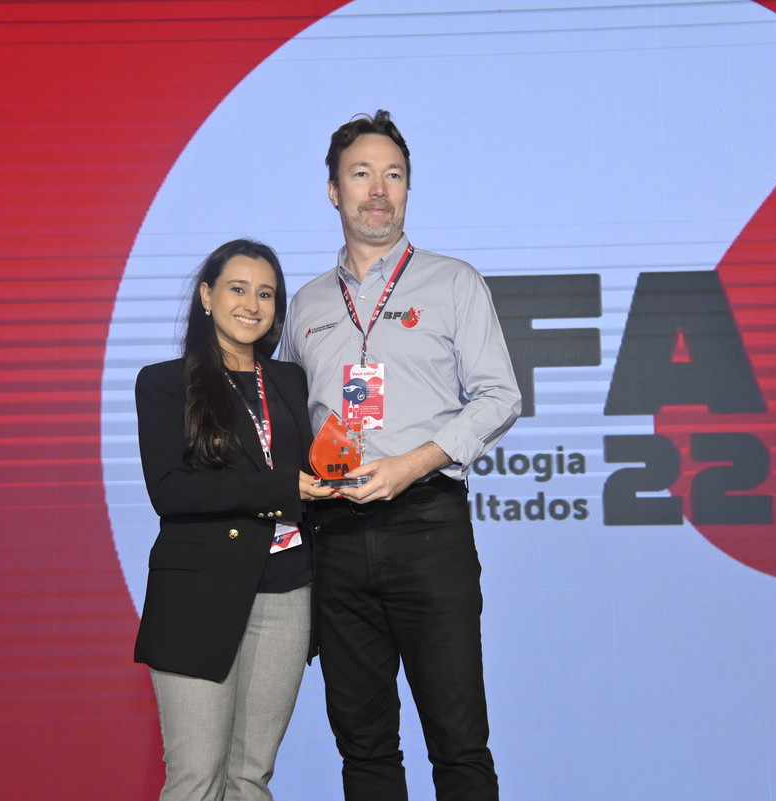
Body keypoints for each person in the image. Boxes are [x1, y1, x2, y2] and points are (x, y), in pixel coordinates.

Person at [281, 111, 521, 801]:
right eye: (361, 174)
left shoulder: (452, 282)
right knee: (364, 749)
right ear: (334, 190)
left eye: (394, 175)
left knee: (459, 743)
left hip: (427, 528)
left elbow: (500, 396)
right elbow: (291, 420)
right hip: (334, 539)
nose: (379, 190)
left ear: (409, 189)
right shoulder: (305, 304)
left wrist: (412, 463)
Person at [133, 238, 335, 801]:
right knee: (197, 778)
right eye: (237, 289)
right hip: (199, 599)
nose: (252, 304)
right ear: (206, 296)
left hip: (288, 593)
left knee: (251, 777)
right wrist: (280, 488)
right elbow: (171, 492)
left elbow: (313, 464)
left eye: (266, 294)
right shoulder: (164, 382)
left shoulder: (291, 380)